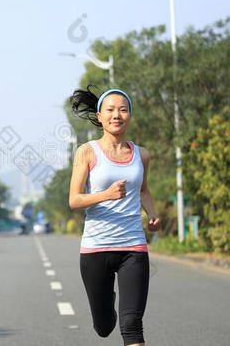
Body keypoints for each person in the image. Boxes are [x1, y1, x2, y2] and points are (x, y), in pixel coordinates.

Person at [69, 84, 161, 346]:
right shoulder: (87, 152)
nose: (116, 115)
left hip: (133, 247)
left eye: (123, 110)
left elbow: (143, 191)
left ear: (130, 115)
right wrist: (105, 195)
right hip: (96, 248)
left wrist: (151, 214)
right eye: (110, 110)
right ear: (100, 116)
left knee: (132, 324)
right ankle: (106, 304)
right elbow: (74, 199)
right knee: (104, 326)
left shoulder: (141, 155)